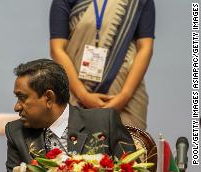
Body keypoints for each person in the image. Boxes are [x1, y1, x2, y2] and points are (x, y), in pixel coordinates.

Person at [5, 59, 135, 172]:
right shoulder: (16, 133)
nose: (17, 107)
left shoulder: (104, 122)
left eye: (22, 97)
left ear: (49, 98)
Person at [50, 0, 155, 130]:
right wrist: (83, 96)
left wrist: (124, 96)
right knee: (75, 147)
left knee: (129, 148)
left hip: (125, 96)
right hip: (75, 93)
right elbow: (57, 49)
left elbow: (145, 47)